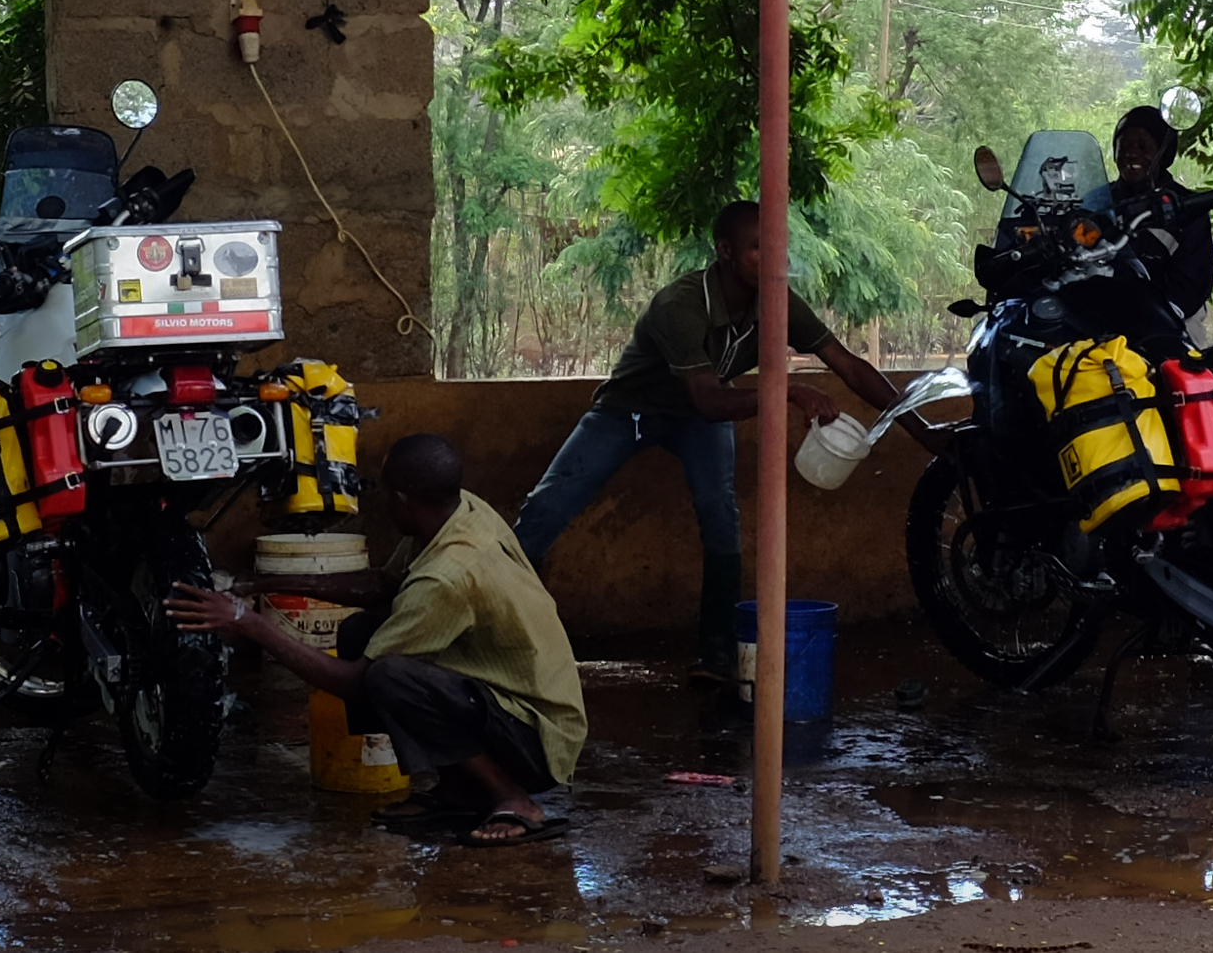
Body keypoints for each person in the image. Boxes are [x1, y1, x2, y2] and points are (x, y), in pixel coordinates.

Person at [513, 200, 902, 679]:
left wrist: (919, 425)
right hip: (631, 411)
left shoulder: (776, 301)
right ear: (725, 251)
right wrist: (789, 391)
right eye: (758, 248)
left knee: (721, 513)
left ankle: (717, 652)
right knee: (550, 504)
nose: (774, 258)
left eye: (779, 247)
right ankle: (500, 625)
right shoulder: (681, 304)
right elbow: (709, 402)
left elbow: (847, 365)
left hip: (699, 417)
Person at [169, 435, 586, 846]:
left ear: (402, 499)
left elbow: (355, 682)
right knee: (360, 633)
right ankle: (461, 791)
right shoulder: (460, 511)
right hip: (515, 705)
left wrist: (250, 624)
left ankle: (512, 797)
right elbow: (382, 585)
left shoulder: (447, 577)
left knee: (391, 677)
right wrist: (262, 583)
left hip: (537, 741)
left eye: (387, 494)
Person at [1088, 102, 1213, 352]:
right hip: (1101, 329)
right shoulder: (1098, 201)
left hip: (1171, 330)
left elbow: (1190, 289)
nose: (1131, 153)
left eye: (1143, 146)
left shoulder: (1186, 208)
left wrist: (1142, 317)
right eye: (1124, 145)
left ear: (1163, 154)